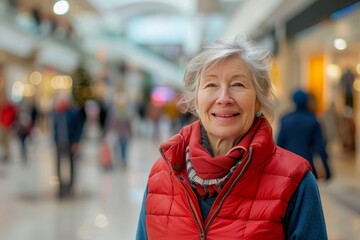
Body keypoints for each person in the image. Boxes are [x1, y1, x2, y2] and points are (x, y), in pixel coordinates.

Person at [136, 35, 328, 239]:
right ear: (195, 101)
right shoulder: (162, 174)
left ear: (258, 101)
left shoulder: (296, 181)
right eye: (211, 85)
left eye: (238, 84)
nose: (224, 98)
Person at [277, 89, 332, 180]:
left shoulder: (285, 120)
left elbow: (279, 145)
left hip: (288, 165)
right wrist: (327, 170)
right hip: (306, 165)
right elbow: (320, 148)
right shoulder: (313, 121)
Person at [52, 93, 85, 199]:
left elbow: (78, 128)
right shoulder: (56, 113)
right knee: (59, 165)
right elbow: (55, 127)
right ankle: (60, 185)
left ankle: (71, 185)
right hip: (59, 142)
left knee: (71, 165)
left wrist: (76, 141)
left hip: (70, 142)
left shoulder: (73, 113)